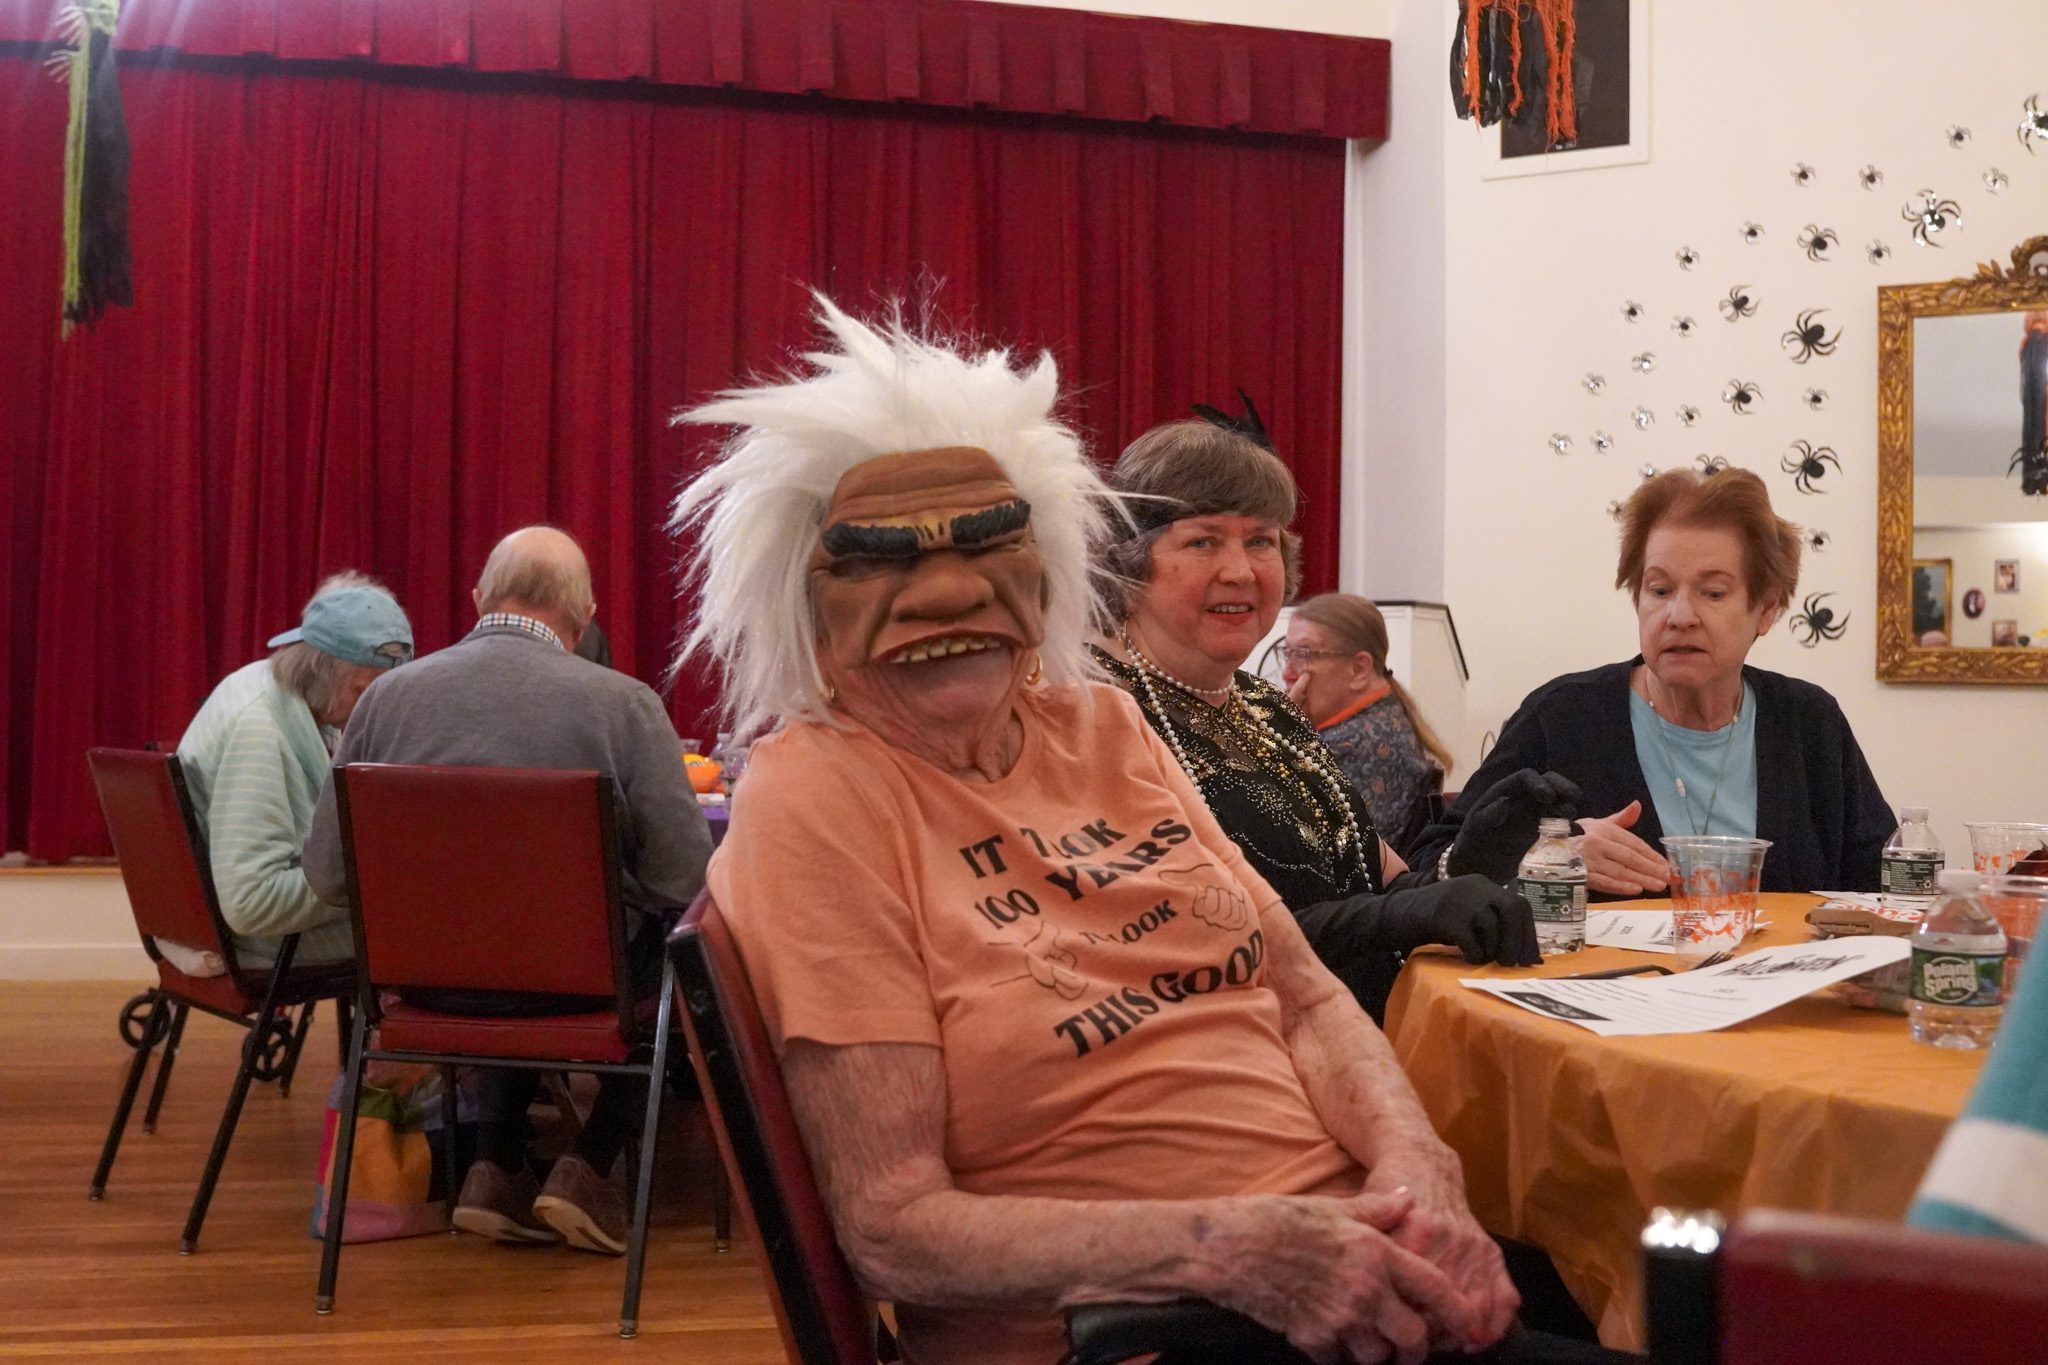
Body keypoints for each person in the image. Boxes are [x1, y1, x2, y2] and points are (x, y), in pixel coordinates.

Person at [678, 301, 1628, 1365]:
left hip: (1340, 1255)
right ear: (803, 601)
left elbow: (1303, 993)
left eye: (987, 545)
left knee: (1664, 1268)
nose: (945, 596)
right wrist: (1234, 1252)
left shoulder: (1102, 723)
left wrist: (1420, 1178)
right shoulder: (818, 795)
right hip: (1156, 1324)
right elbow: (894, 1229)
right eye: (880, 562)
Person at [302, 527, 713, 1255]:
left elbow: (328, 876)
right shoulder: (627, 706)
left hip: (423, 987)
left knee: (491, 945)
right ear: (582, 619)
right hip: (578, 989)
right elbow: (681, 878)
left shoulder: (384, 700)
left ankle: (494, 1162)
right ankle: (588, 1163)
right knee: (682, 948)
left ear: (478, 599)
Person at [1091, 414, 1566, 1019]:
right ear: (1130, 563)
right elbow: (1181, 943)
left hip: (1367, 1032)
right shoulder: (1094, 715)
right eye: (1203, 540)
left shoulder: (1269, 711)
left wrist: (1478, 856)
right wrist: (1395, 916)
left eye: (1260, 540)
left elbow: (1382, 883)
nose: (1240, 570)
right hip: (1232, 1061)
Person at [1409, 468, 1894, 898]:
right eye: (1659, 589)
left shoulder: (1809, 722)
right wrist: (1554, 855)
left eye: (1713, 592)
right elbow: (1431, 866)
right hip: (1603, 996)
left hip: (1780, 997)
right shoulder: (1564, 717)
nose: (1679, 616)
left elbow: (1885, 886)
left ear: (1765, 609)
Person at [176, 575, 413, 968]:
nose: (373, 710)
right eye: (364, 692)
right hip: (261, 942)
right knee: (433, 926)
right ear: (322, 672)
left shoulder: (268, 685)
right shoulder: (259, 728)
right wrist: (372, 879)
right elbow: (250, 903)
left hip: (244, 924)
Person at [1283, 593, 1455, 855]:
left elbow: (1284, 850)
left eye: (1304, 655)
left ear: (1359, 669)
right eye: (1287, 654)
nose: (1287, 673)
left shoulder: (1349, 745)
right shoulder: (1384, 719)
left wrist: (1279, 730)